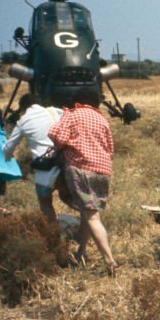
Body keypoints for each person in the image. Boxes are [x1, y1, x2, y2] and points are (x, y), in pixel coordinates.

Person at [48, 86, 118, 276]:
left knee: (92, 216)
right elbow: (110, 149)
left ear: (77, 100)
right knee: (88, 212)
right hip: (103, 169)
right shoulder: (102, 119)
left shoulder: (73, 114)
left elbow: (57, 137)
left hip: (81, 168)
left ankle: (109, 260)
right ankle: (81, 253)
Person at [2, 93, 64, 224]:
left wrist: (7, 157)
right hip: (64, 163)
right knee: (69, 196)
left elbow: (9, 147)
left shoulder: (23, 120)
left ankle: (53, 233)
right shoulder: (54, 111)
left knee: (45, 203)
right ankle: (89, 221)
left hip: (44, 169)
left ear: (23, 108)